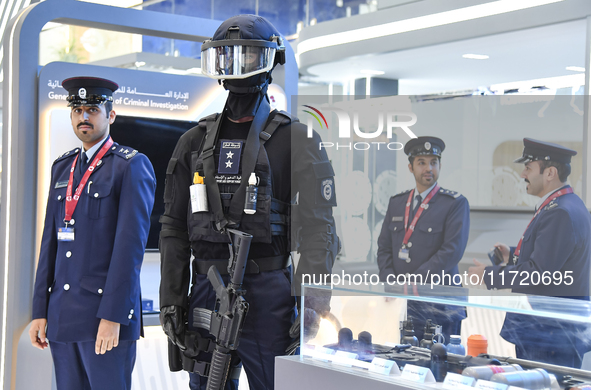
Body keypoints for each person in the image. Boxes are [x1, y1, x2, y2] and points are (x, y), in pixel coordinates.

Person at [158, 15, 339, 390]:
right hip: (207, 286)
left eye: (249, 56)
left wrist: (313, 302)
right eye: (227, 56)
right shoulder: (192, 141)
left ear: (270, 60)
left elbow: (319, 232)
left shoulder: (298, 140)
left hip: (268, 288)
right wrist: (171, 300)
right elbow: (174, 230)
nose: (236, 66)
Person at [29, 76, 156, 389]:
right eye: (77, 110)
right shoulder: (62, 167)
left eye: (93, 109)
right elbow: (50, 243)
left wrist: (114, 317)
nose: (84, 116)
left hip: (103, 318)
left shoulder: (130, 165)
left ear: (110, 115)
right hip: (61, 316)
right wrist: (39, 310)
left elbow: (130, 249)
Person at [469, 138, 591, 368]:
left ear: (550, 173)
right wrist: (512, 255)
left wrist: (488, 275)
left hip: (550, 334)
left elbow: (539, 273)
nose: (523, 174)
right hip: (551, 331)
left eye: (528, 167)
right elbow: (553, 259)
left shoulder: (560, 212)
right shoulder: (566, 204)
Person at [377, 136, 469, 344]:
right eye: (422, 163)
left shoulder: (454, 204)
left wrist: (412, 281)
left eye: (434, 162)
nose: (429, 168)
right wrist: (391, 281)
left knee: (439, 368)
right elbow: (383, 248)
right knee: (408, 364)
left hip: (441, 305)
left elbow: (451, 251)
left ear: (440, 165)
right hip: (407, 304)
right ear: (410, 167)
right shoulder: (397, 203)